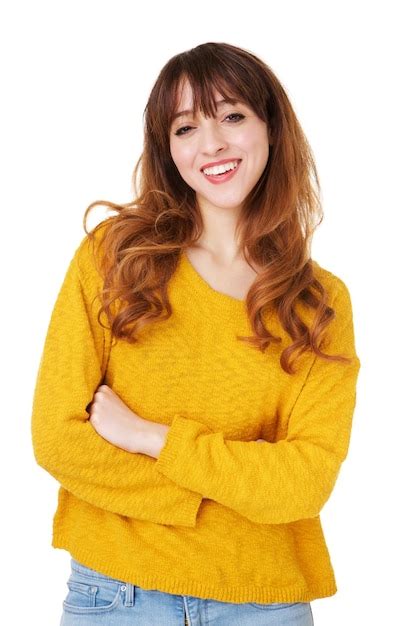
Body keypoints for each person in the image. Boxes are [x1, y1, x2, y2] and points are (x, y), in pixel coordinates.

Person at [31, 41, 361, 626]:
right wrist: (231, 492)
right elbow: (59, 438)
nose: (212, 144)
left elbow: (304, 483)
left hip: (264, 603)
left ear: (271, 129)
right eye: (186, 127)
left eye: (232, 116)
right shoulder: (115, 258)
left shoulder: (319, 304)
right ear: (168, 149)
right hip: (118, 594)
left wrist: (151, 437)